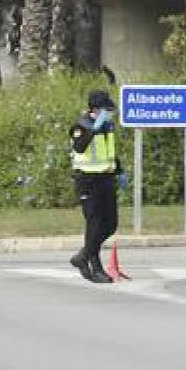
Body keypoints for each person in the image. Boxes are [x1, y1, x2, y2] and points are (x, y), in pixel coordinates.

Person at [68, 90, 121, 284]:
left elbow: (109, 152)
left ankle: (82, 256)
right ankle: (95, 267)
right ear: (95, 110)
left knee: (111, 224)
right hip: (87, 181)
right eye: (106, 110)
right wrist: (93, 129)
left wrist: (120, 170)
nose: (110, 113)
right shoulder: (80, 126)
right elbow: (80, 147)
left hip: (106, 179)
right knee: (95, 224)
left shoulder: (107, 126)